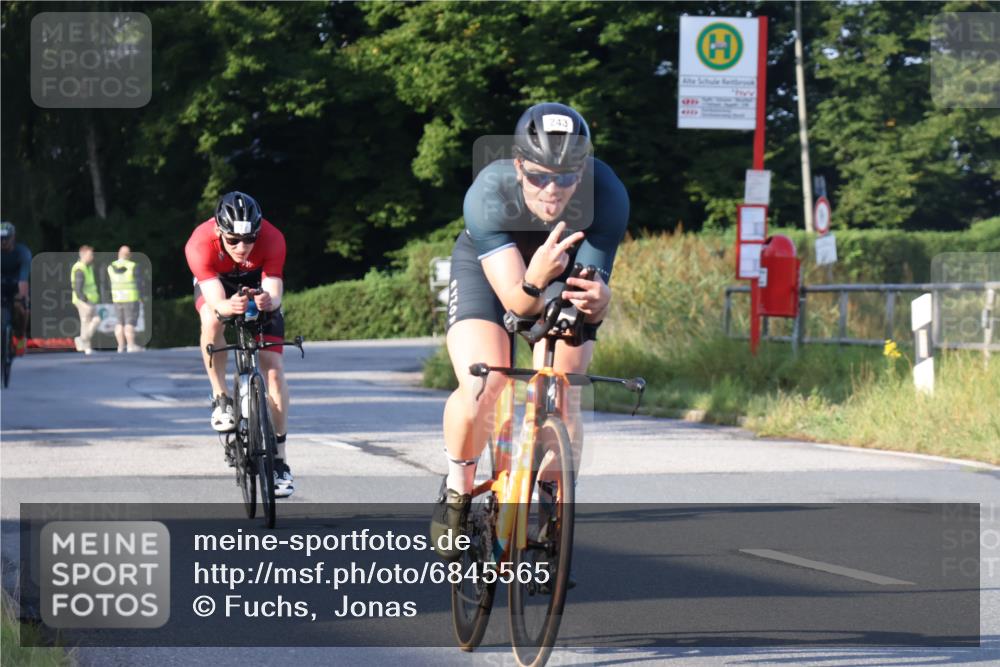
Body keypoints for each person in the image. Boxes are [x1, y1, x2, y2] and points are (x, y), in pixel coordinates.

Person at [430, 103, 630, 559]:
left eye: (566, 177)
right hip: (495, 272)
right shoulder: (488, 193)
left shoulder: (608, 194)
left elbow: (588, 294)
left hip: (558, 269)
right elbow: (518, 306)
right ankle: (459, 490)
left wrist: (598, 304)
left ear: (583, 171)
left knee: (566, 387)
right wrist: (535, 281)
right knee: (486, 381)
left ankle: (553, 498)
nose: (552, 190)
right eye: (540, 176)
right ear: (519, 166)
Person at [184, 191, 294, 497]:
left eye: (249, 240)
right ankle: (220, 397)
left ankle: (280, 462)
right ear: (219, 231)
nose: (242, 247)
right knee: (211, 319)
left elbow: (274, 290)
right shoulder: (199, 244)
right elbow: (216, 301)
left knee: (273, 370)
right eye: (233, 240)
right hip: (219, 284)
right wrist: (226, 307)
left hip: (256, 281)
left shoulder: (273, 239)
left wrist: (267, 301)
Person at [1, 222, 31, 355]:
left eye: (6, 238)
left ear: (13, 238)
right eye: (0, 238)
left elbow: (23, 278)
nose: (2, 241)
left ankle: (21, 336)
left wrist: (21, 297)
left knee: (21, 307)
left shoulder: (22, 252)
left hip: (17, 283)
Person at [107, 245, 144, 353]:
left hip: (117, 298)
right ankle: (131, 345)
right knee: (129, 322)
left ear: (119, 254)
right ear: (130, 255)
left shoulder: (111, 267)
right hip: (130, 297)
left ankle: (120, 346)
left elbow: (108, 283)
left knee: (119, 322)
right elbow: (139, 283)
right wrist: (141, 297)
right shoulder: (132, 266)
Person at [71, 245, 101, 355]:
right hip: (83, 301)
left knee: (89, 323)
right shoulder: (80, 268)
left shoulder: (87, 266)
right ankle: (84, 343)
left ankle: (85, 345)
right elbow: (78, 288)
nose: (92, 257)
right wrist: (85, 301)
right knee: (90, 322)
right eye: (90, 254)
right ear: (84, 255)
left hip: (89, 300)